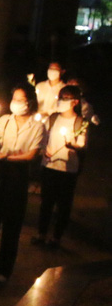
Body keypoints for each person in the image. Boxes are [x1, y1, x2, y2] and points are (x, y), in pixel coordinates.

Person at [0, 85, 45, 279]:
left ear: (30, 102)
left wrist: (8, 157)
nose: (16, 103)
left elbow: (32, 154)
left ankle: (4, 268)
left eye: (21, 99)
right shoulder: (3, 120)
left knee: (12, 223)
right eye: (14, 98)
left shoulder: (37, 126)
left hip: (18, 175)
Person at [34, 84, 88, 248]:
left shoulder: (79, 122)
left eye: (66, 98)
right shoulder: (52, 118)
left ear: (75, 102)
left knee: (63, 205)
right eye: (61, 97)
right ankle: (41, 234)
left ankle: (56, 238)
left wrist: (72, 145)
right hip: (50, 166)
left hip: (67, 169)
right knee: (46, 203)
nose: (62, 101)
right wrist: (44, 150)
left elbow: (81, 144)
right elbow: (43, 138)